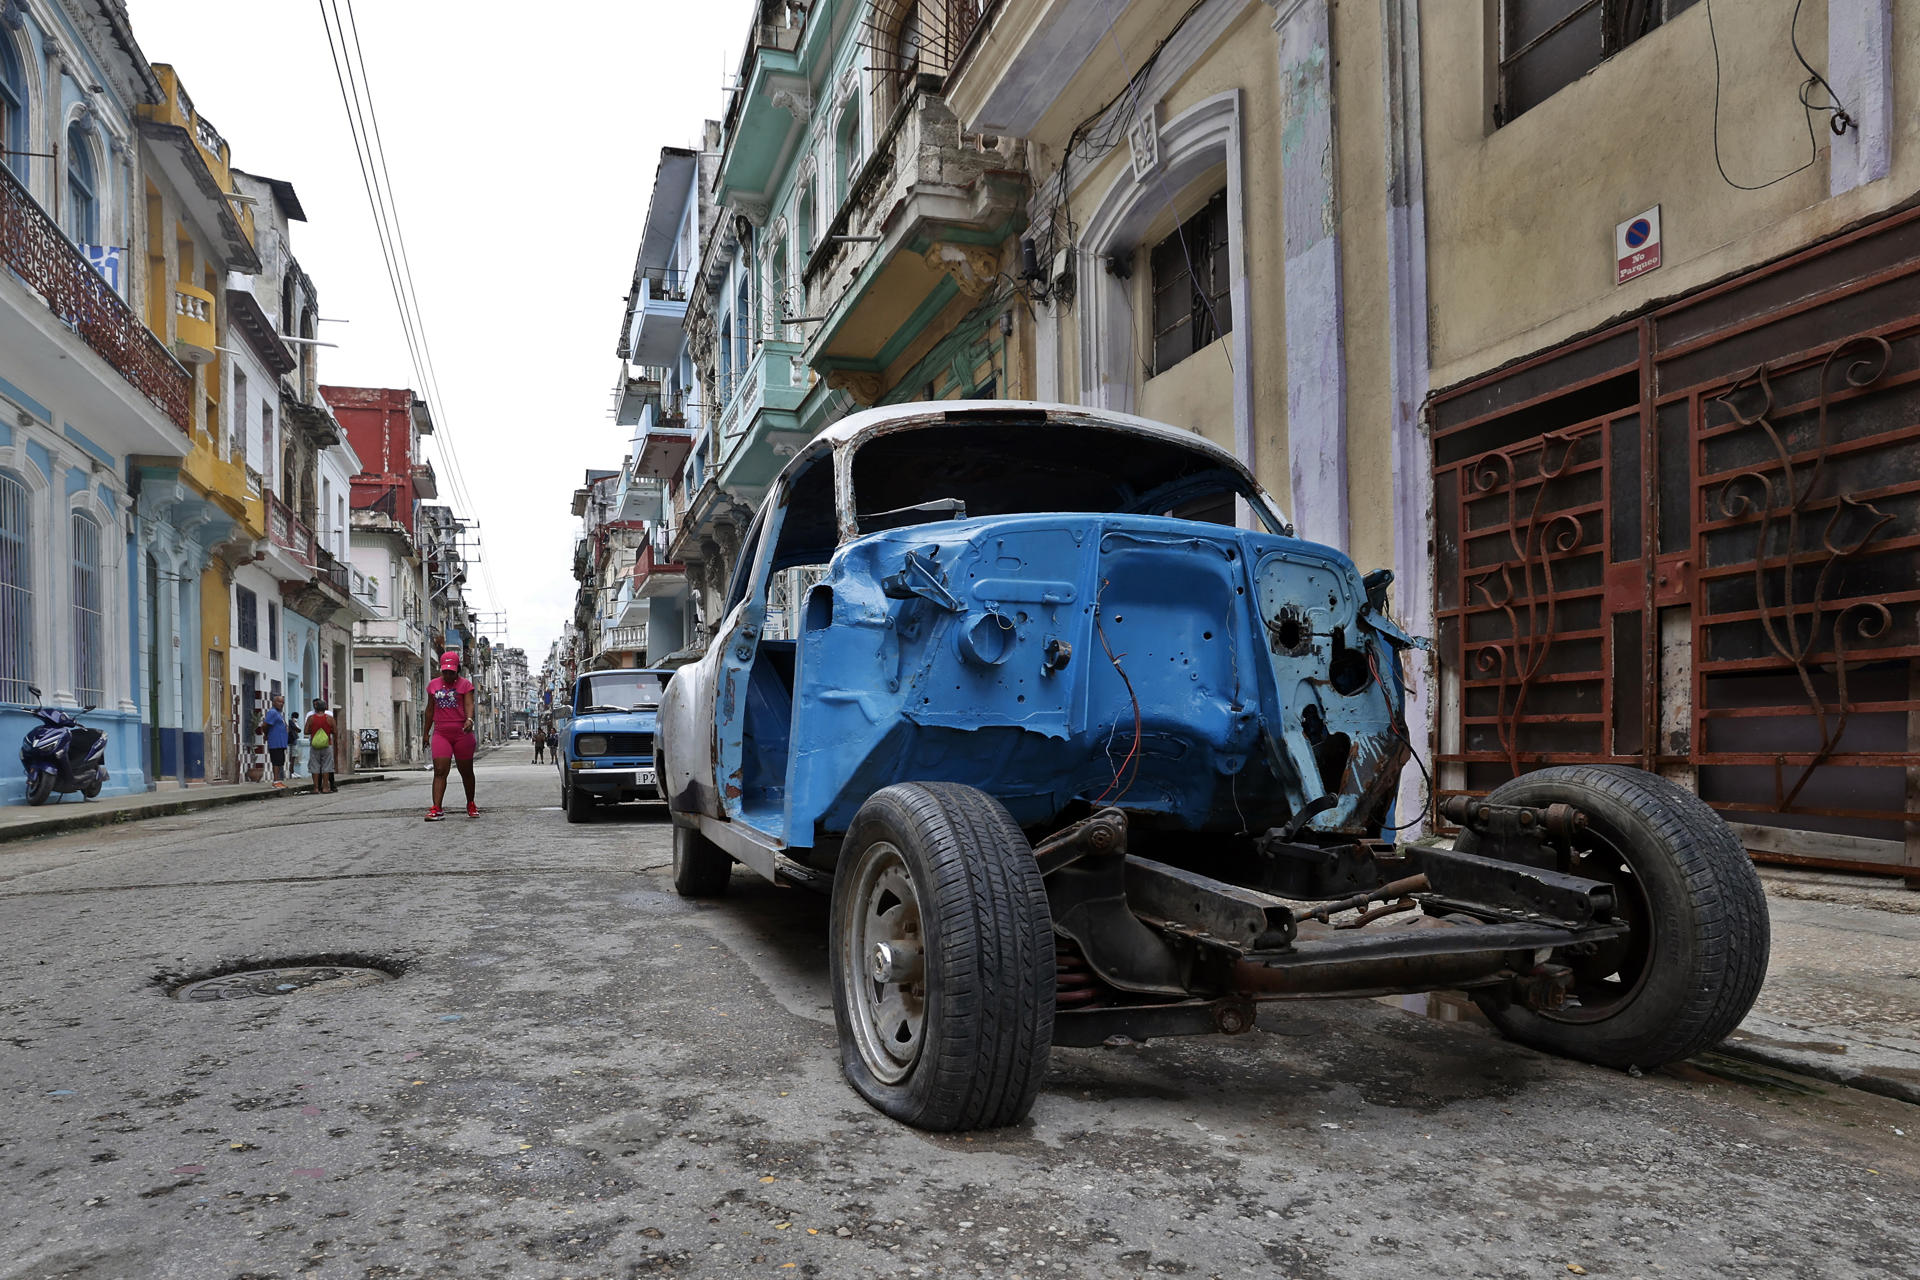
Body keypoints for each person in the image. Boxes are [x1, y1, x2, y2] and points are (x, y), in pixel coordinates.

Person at [423, 650, 479, 821]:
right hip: (441, 733)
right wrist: (425, 733)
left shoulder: (465, 685)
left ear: (457, 670)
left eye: (451, 671)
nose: (447, 674)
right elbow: (430, 710)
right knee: (440, 770)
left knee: (466, 771)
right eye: (445, 671)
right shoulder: (433, 685)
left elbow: (469, 704)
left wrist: (469, 719)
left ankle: (470, 803)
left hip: (462, 732)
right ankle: (437, 808)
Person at [305, 698, 338, 794]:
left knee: (315, 766)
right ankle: (325, 787)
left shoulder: (311, 718)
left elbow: (306, 731)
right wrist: (326, 731)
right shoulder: (330, 719)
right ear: (325, 708)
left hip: (314, 745)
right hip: (327, 744)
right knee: (326, 766)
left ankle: (316, 788)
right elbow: (335, 731)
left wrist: (315, 731)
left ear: (316, 707)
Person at [260, 694, 290, 788]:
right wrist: (266, 734)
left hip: (281, 742)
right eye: (279, 702)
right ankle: (276, 781)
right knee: (276, 762)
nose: (281, 704)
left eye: (282, 702)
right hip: (275, 742)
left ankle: (279, 781)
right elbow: (264, 725)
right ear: (273, 702)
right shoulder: (272, 712)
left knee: (280, 761)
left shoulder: (279, 714)